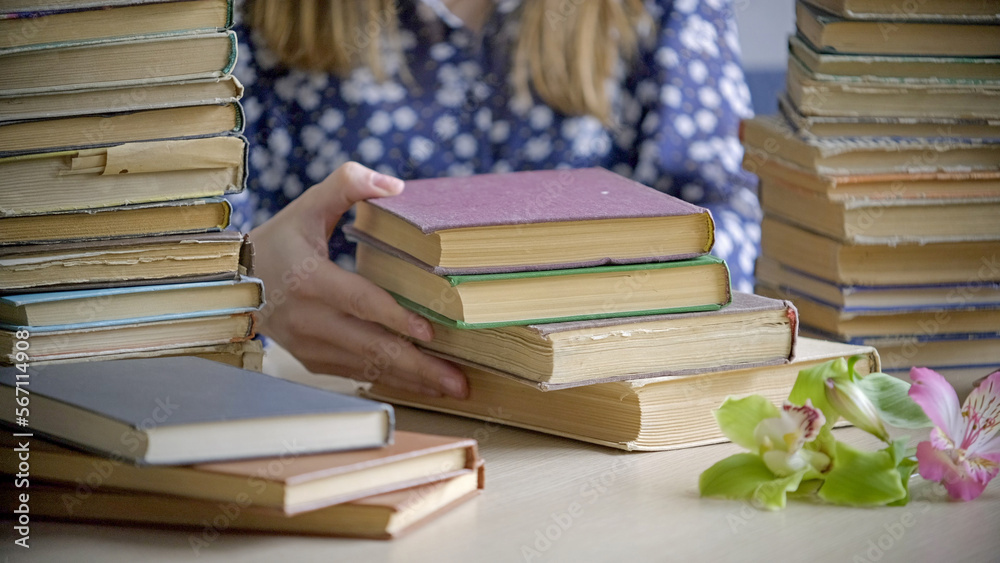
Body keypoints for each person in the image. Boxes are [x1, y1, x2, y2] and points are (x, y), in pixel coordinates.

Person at [230, 0, 762, 399]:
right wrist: (249, 280)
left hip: (595, 412)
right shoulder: (241, 17)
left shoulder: (670, 8)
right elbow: (188, 236)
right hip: (336, 406)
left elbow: (720, 223)